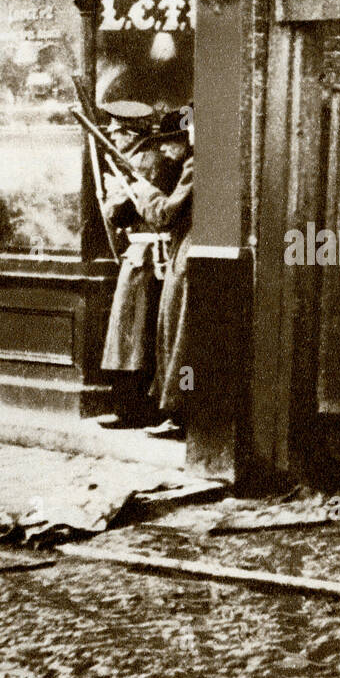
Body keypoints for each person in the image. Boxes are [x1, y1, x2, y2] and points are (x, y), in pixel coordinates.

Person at [98, 103, 186, 428]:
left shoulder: (144, 161)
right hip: (143, 253)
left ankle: (134, 409)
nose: (112, 135)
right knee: (134, 333)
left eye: (116, 131)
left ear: (129, 133)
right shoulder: (143, 158)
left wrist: (114, 197)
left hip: (147, 256)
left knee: (134, 335)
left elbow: (122, 213)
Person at [122, 112, 195, 437]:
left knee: (178, 338)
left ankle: (180, 414)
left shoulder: (196, 164)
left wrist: (143, 192)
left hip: (188, 256)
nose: (165, 151)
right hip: (188, 251)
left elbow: (164, 214)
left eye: (170, 144)